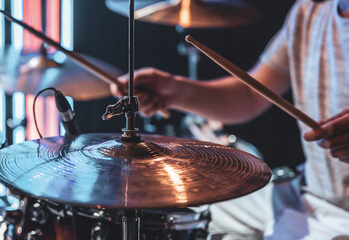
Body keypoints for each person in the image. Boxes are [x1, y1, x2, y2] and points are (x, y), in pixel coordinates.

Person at [111, 0, 349, 238]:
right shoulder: (310, 11)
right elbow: (250, 94)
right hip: (306, 193)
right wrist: (173, 89)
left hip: (341, 217)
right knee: (191, 204)